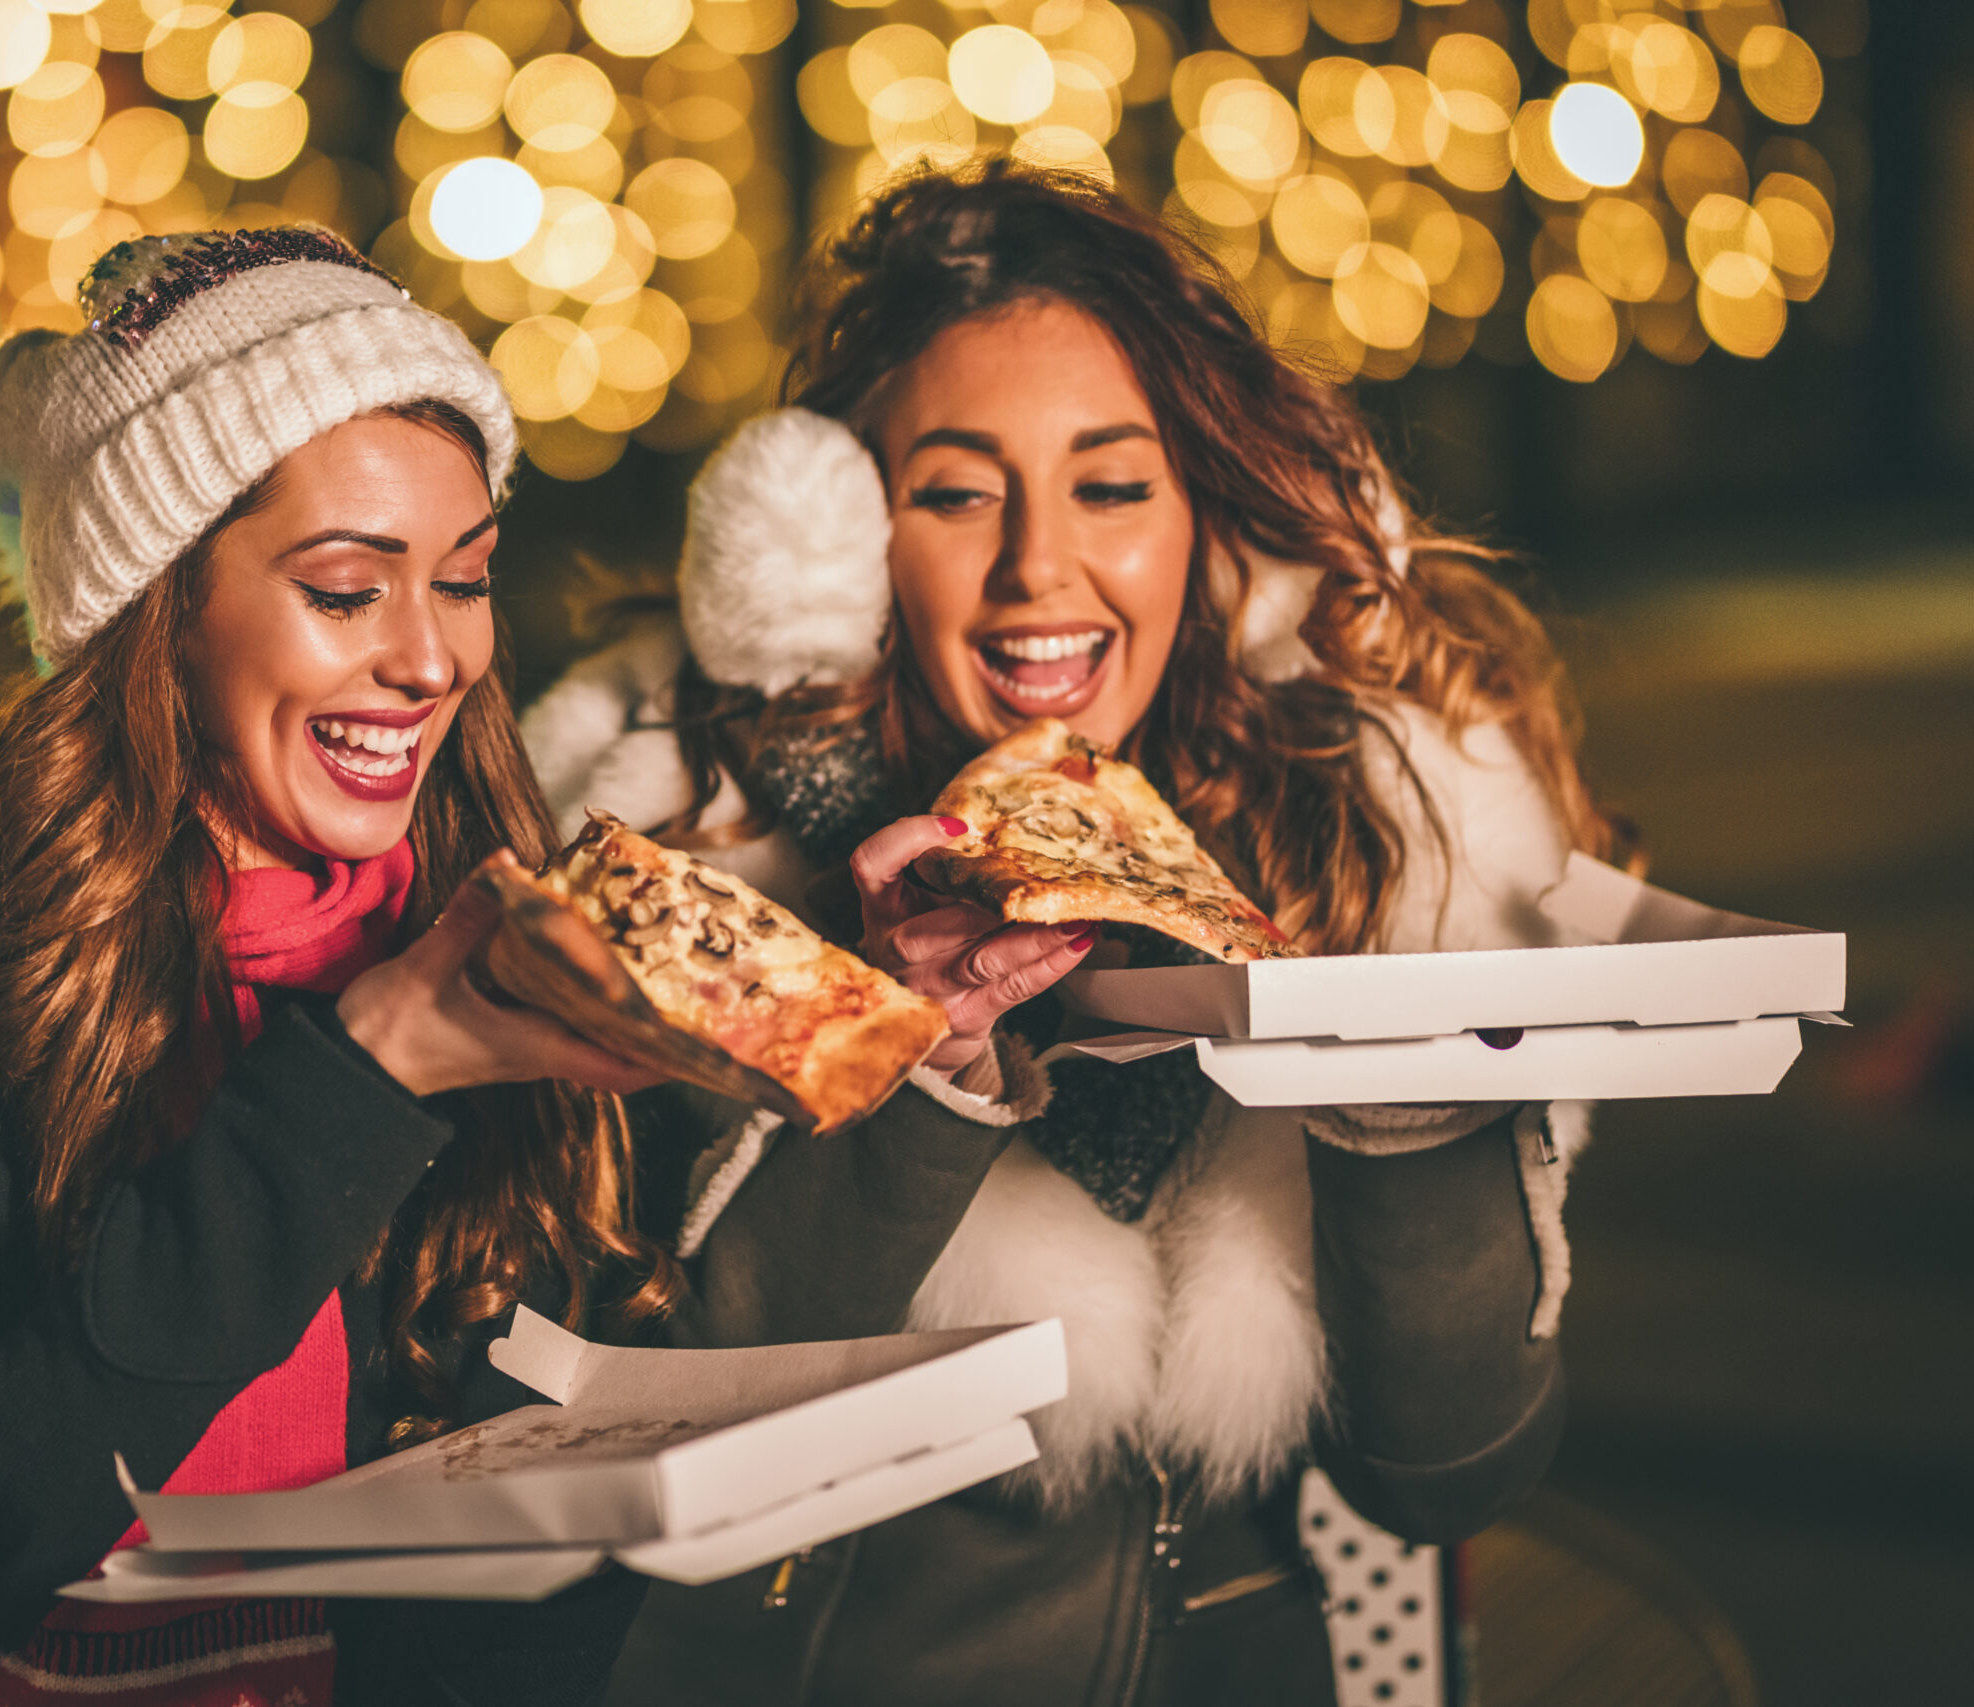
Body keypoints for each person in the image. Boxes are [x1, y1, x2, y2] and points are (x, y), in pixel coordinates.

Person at [524, 163, 1607, 1705]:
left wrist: (1397, 1093)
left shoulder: (1383, 831)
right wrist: (907, 1052)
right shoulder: (705, 842)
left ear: (1205, 524)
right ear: (841, 540)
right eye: (957, 491)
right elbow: (677, 1417)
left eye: (1113, 485)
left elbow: (1449, 1470)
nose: (1041, 567)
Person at [0, 228, 688, 1707]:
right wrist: (371, 1071)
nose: (433, 660)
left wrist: (898, 1054)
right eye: (346, 587)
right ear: (161, 605)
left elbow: (570, 1415)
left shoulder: (468, 887)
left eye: (467, 577)